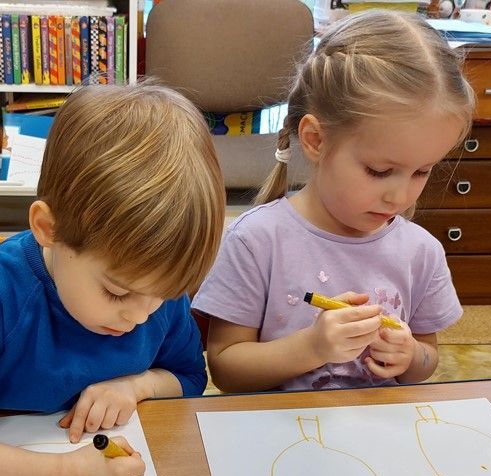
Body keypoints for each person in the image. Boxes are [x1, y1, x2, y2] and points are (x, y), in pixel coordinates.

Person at [0, 83, 225, 476]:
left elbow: (190, 379)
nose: (141, 317)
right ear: (48, 230)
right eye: (116, 292)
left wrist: (137, 385)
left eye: (163, 295)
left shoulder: (153, 289)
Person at [193, 10, 475, 393]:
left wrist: (409, 356)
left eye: (422, 171)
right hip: (279, 425)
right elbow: (226, 370)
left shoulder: (421, 252)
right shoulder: (256, 240)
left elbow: (427, 360)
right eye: (379, 170)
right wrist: (311, 347)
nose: (400, 196)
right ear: (315, 140)